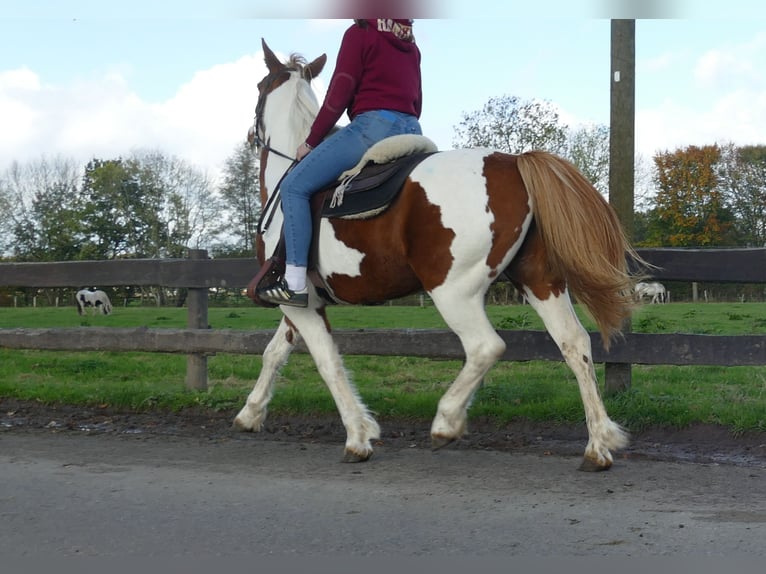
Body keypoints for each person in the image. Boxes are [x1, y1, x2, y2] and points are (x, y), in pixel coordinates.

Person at [257, 18, 423, 307]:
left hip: (372, 127)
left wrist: (311, 141)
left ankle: (294, 282)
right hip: (411, 127)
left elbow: (340, 91)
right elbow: (417, 98)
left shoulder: (360, 33)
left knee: (294, 186)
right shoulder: (409, 42)